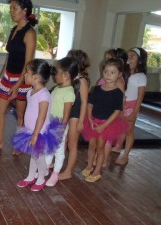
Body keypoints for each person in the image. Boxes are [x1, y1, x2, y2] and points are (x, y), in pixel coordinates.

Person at [0, 0, 38, 154]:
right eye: (10, 8)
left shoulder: (30, 33)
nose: (10, 11)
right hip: (8, 76)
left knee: (20, 114)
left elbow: (28, 62)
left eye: (14, 8)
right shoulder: (13, 30)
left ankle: (19, 145)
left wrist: (18, 84)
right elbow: (10, 56)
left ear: (24, 10)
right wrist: (2, 75)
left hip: (23, 79)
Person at [12, 59, 63, 191]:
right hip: (30, 130)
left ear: (35, 77)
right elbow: (30, 111)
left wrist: (35, 134)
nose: (24, 75)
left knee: (38, 157)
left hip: (39, 132)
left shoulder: (44, 95)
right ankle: (30, 177)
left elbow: (41, 116)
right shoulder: (30, 92)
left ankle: (40, 179)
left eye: (27, 73)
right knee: (33, 155)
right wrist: (25, 125)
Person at [81, 58, 128, 182]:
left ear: (119, 74)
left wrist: (104, 125)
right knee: (91, 146)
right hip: (93, 121)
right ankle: (89, 166)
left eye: (112, 72)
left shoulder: (117, 93)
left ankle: (97, 171)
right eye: (106, 71)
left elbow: (117, 111)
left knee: (100, 148)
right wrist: (90, 119)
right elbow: (90, 104)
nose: (108, 75)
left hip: (106, 124)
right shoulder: (96, 89)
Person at [45, 57, 78, 187]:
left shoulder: (69, 92)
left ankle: (56, 173)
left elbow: (66, 114)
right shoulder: (57, 89)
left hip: (59, 125)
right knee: (49, 147)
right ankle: (46, 167)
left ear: (66, 74)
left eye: (56, 72)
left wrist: (61, 129)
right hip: (50, 123)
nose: (54, 75)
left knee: (58, 150)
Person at [93, 48, 128, 167]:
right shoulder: (103, 80)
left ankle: (104, 159)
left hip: (110, 115)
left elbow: (122, 97)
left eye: (109, 59)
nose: (107, 61)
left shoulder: (118, 81)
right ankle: (98, 158)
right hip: (100, 113)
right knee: (99, 140)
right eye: (106, 59)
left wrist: (121, 111)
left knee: (107, 140)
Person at [58, 50, 90, 180]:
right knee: (63, 141)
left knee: (72, 144)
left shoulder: (82, 81)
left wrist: (81, 120)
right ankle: (59, 165)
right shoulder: (70, 78)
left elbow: (84, 102)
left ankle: (68, 171)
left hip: (76, 116)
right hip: (69, 113)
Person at [115, 47, 147, 165]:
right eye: (128, 56)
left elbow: (140, 97)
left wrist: (134, 112)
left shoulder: (141, 76)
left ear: (139, 60)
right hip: (123, 103)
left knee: (129, 130)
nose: (129, 58)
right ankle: (118, 146)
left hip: (132, 105)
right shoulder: (126, 73)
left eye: (132, 56)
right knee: (122, 126)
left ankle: (125, 155)